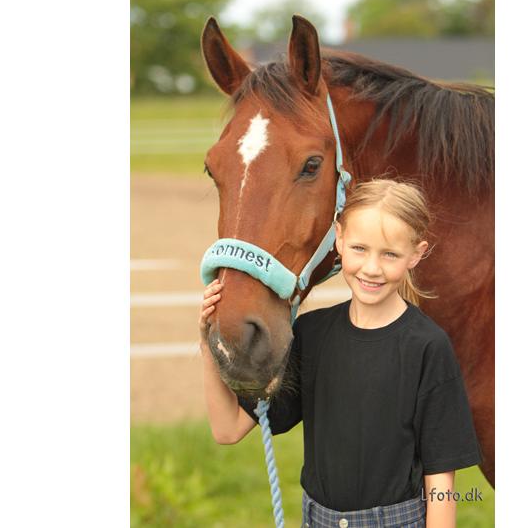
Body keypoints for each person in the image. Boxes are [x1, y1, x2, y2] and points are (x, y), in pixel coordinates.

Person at [199, 179, 482, 528]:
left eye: (390, 254)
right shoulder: (312, 334)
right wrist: (207, 342)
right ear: (339, 239)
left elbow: (441, 485)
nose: (372, 268)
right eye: (360, 248)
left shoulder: (427, 347)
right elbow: (227, 429)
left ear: (416, 253)